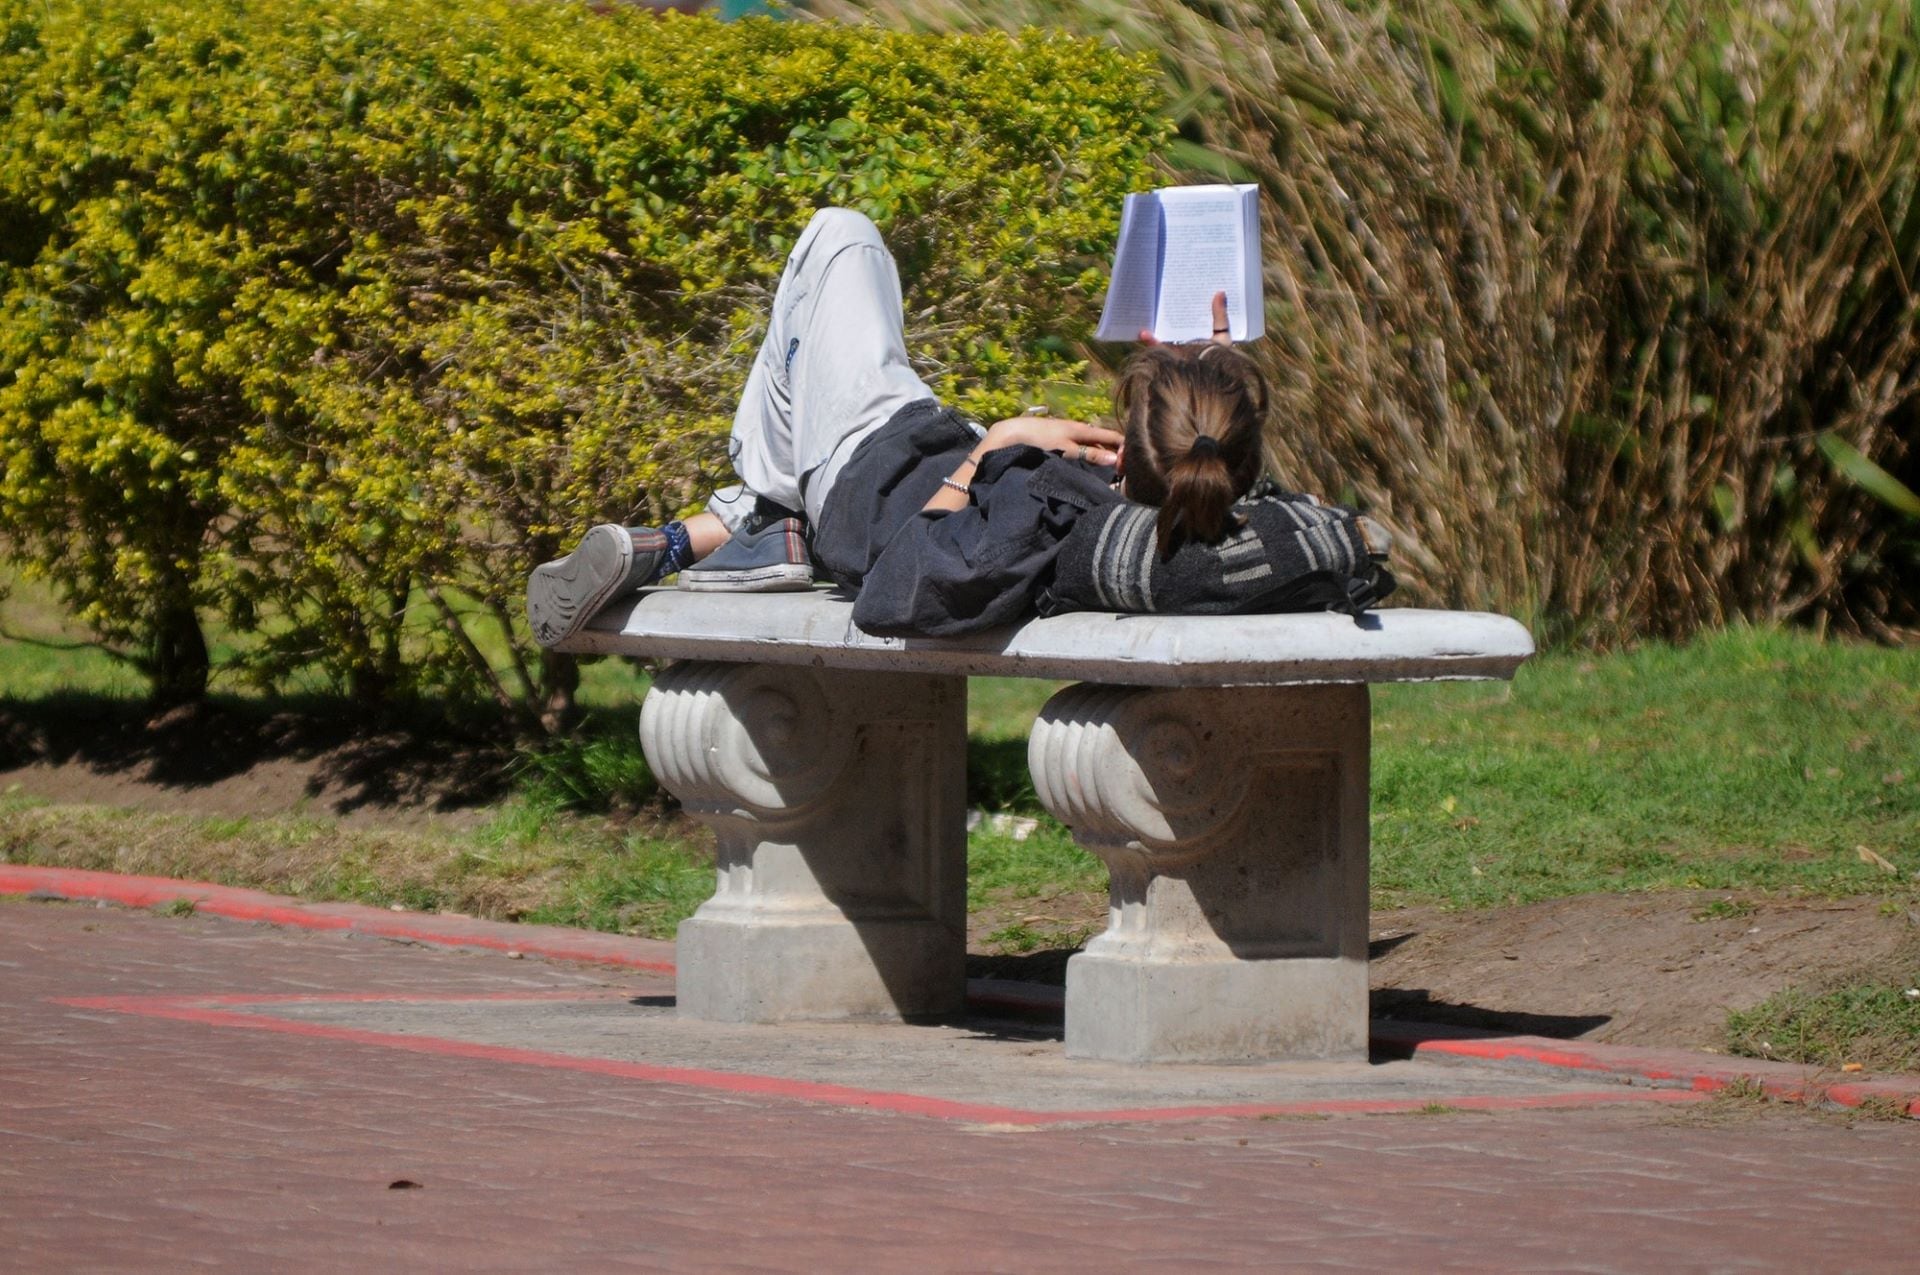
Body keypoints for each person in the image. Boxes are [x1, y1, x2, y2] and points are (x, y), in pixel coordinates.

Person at [527, 206, 1269, 646]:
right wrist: (1208, 363)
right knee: (846, 287)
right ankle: (750, 519)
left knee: (842, 238)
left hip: (867, 467)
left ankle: (759, 506)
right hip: (909, 441)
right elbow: (1214, 453)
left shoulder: (1040, 515)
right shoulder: (1181, 495)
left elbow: (890, 594)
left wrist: (994, 445)